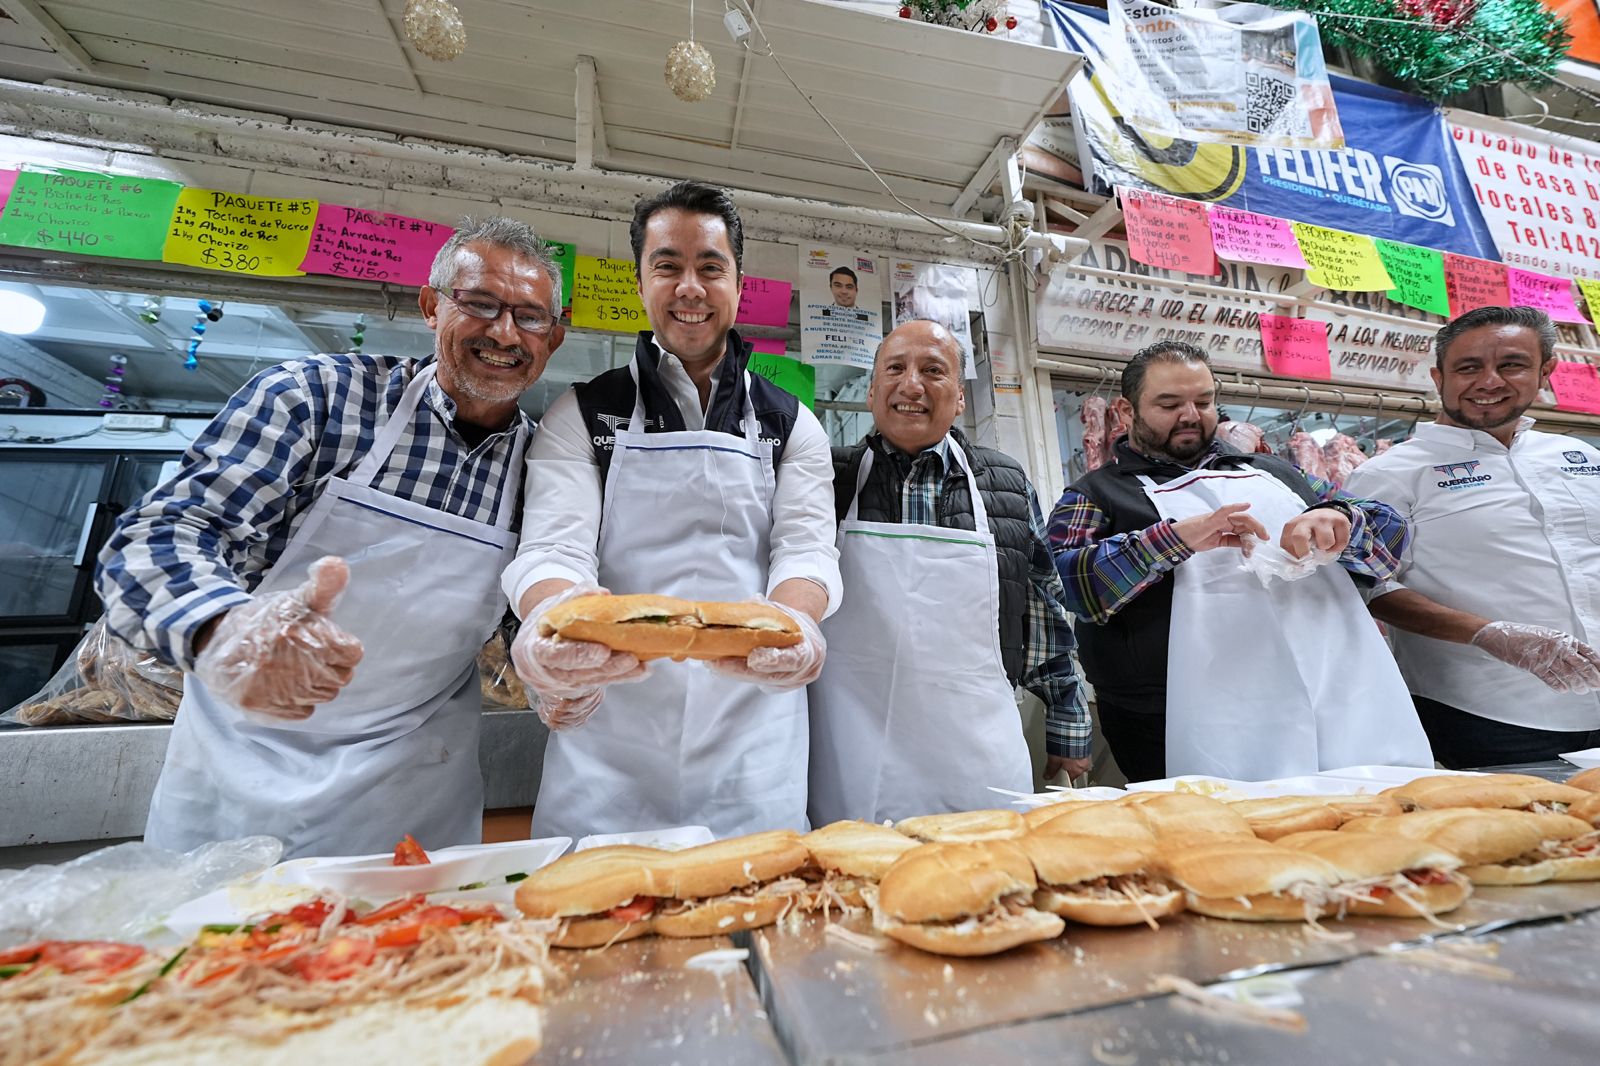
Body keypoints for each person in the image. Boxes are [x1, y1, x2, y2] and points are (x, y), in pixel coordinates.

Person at [97, 217, 566, 858]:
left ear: (555, 337)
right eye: (479, 305)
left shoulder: (543, 466)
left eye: (530, 317)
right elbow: (161, 534)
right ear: (432, 306)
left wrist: (558, 665)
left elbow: (525, 620)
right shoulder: (318, 399)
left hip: (415, 796)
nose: (504, 333)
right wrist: (220, 630)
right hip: (240, 781)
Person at [504, 180, 840, 839]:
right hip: (606, 739)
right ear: (641, 281)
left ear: (739, 284)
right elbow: (553, 548)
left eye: (710, 267)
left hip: (752, 743)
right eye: (668, 266)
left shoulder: (789, 423)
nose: (690, 287)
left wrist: (796, 628)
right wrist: (551, 624)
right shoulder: (584, 413)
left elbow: (804, 549)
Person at [1047, 340, 1432, 782]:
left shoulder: (1276, 472)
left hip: (1329, 698)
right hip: (1165, 715)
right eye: (1169, 403)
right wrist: (1173, 540)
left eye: (1204, 401)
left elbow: (1392, 545)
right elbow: (1069, 585)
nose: (1191, 415)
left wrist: (1343, 519)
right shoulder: (1096, 494)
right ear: (1128, 410)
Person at [809, 321, 1090, 823]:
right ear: (872, 392)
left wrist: (1066, 720)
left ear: (960, 397)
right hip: (848, 750)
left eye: (933, 370)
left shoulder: (1004, 481)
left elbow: (1041, 605)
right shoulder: (828, 479)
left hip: (976, 755)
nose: (911, 385)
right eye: (895, 369)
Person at [1344, 306, 1600, 768]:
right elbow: (1368, 588)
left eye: (1511, 365)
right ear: (1438, 377)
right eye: (1468, 367)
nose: (1489, 382)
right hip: (1486, 711)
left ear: (1546, 372)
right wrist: (1488, 634)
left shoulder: (1578, 454)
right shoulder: (1389, 474)